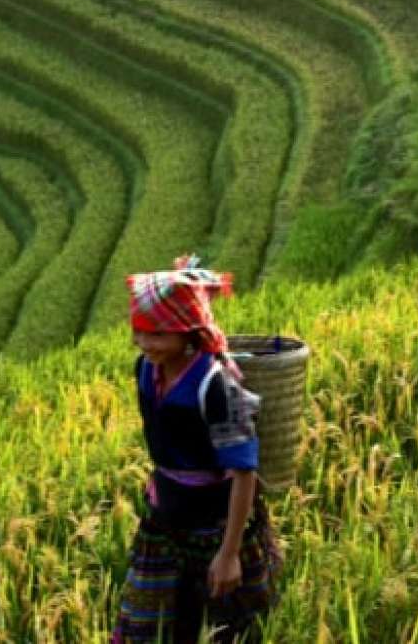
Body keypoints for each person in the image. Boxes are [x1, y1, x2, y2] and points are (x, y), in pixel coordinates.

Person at [114, 258, 281, 644]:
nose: (144, 343)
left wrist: (229, 554)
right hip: (166, 521)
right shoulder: (146, 369)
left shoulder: (215, 385)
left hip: (217, 527)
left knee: (231, 629)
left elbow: (244, 471)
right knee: (150, 627)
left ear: (187, 333)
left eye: (156, 335)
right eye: (138, 333)